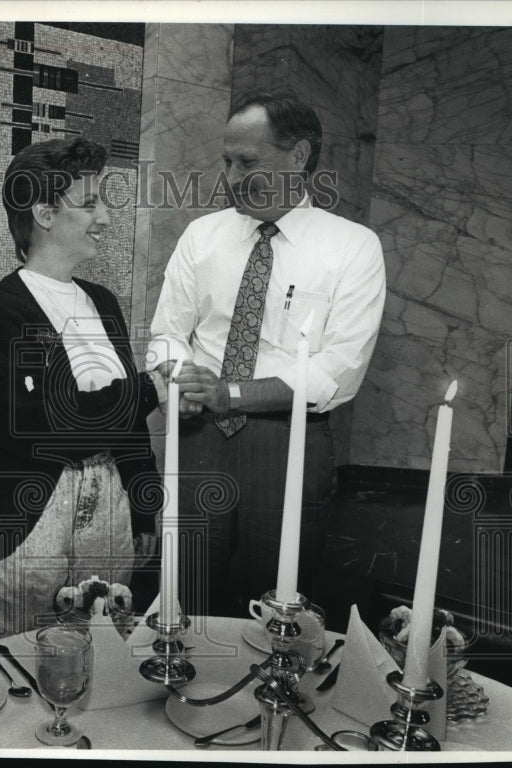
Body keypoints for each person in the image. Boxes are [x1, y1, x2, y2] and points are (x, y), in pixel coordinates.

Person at [148, 90, 386, 618]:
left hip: (288, 444)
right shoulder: (201, 236)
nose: (231, 177)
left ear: (298, 157)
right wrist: (177, 379)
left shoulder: (352, 247)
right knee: (184, 595)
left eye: (248, 162)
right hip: (198, 441)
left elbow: (337, 370)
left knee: (274, 605)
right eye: (226, 161)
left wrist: (230, 394)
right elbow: (166, 332)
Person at [0, 137, 161, 641]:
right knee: (21, 669)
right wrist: (152, 387)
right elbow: (53, 426)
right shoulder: (6, 310)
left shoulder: (103, 302)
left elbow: (125, 422)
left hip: (109, 517)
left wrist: (143, 503)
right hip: (26, 528)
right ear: (44, 213)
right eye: (89, 202)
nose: (106, 218)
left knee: (105, 659)